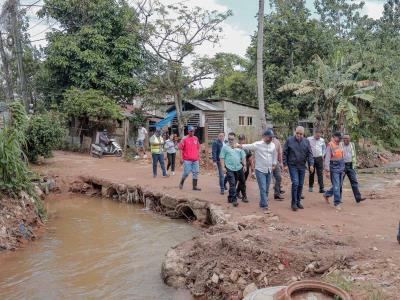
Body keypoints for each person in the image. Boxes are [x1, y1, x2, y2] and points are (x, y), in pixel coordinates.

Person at [237, 129, 277, 211]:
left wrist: (274, 164)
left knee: (266, 189)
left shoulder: (273, 145)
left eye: (271, 138)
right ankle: (265, 206)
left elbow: (274, 154)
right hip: (260, 170)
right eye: (269, 137)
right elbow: (248, 146)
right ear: (264, 136)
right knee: (262, 188)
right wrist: (239, 145)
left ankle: (262, 203)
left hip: (269, 170)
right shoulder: (258, 144)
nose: (270, 139)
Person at [283, 126, 314, 211]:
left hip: (302, 166)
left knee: (300, 184)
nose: (299, 135)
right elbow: (285, 153)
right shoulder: (289, 140)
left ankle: (298, 201)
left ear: (303, 134)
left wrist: (311, 164)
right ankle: (293, 203)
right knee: (295, 183)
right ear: (295, 132)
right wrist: (285, 165)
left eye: (301, 134)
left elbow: (310, 154)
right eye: (297, 133)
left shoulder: (306, 142)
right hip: (292, 165)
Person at [220, 133, 247, 207]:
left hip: (239, 167)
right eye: (229, 139)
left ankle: (232, 197)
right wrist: (223, 167)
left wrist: (244, 165)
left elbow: (243, 156)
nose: (230, 140)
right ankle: (234, 200)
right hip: (229, 168)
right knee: (232, 183)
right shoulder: (225, 147)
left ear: (234, 139)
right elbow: (222, 158)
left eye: (232, 139)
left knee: (242, 182)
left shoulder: (238, 146)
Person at [323, 131, 345, 210]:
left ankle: (326, 194)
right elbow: (327, 159)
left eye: (340, 138)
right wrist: (327, 170)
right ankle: (337, 203)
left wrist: (344, 168)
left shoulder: (341, 144)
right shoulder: (330, 145)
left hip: (341, 167)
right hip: (334, 167)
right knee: (336, 185)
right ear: (335, 137)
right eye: (339, 138)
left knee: (339, 185)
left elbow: (342, 156)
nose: (340, 140)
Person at [341, 134, 366, 203]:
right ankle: (338, 199)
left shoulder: (352, 145)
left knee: (354, 182)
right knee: (340, 183)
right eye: (345, 138)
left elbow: (354, 154)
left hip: (351, 166)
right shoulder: (340, 145)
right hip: (342, 166)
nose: (346, 139)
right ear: (343, 139)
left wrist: (354, 165)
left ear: (350, 139)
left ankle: (358, 198)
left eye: (347, 138)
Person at [179, 126, 201, 191]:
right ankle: (182, 182)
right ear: (188, 131)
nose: (192, 132)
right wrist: (181, 157)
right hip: (187, 159)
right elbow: (180, 148)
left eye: (193, 131)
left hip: (195, 159)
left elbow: (198, 148)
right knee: (186, 172)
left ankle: (194, 186)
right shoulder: (184, 139)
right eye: (191, 131)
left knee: (196, 172)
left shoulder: (196, 138)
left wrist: (199, 156)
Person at [307, 129, 326, 193]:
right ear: (315, 133)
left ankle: (321, 188)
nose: (318, 135)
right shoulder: (309, 139)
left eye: (319, 134)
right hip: (311, 158)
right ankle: (310, 187)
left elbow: (324, 149)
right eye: (317, 134)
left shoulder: (322, 140)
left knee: (320, 173)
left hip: (319, 158)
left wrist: (323, 155)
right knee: (311, 172)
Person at [272, 132, 284, 200]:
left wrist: (281, 163)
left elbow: (280, 153)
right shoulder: (264, 142)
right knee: (267, 181)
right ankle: (264, 197)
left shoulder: (277, 142)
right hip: (266, 163)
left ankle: (277, 194)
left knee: (279, 177)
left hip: (276, 162)